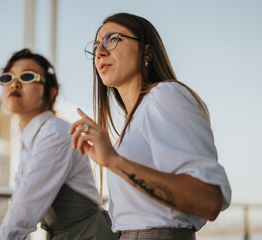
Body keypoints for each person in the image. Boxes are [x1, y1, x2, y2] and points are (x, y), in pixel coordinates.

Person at [70, 13, 231, 240]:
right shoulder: (135, 120)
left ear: (146, 51)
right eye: (96, 45)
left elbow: (208, 200)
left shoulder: (165, 95)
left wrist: (114, 161)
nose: (100, 52)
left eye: (112, 39)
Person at [0, 49, 119, 240]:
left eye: (27, 76)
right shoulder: (32, 138)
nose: (15, 83)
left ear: (51, 91)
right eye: (7, 77)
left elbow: (21, 216)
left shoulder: (55, 134)